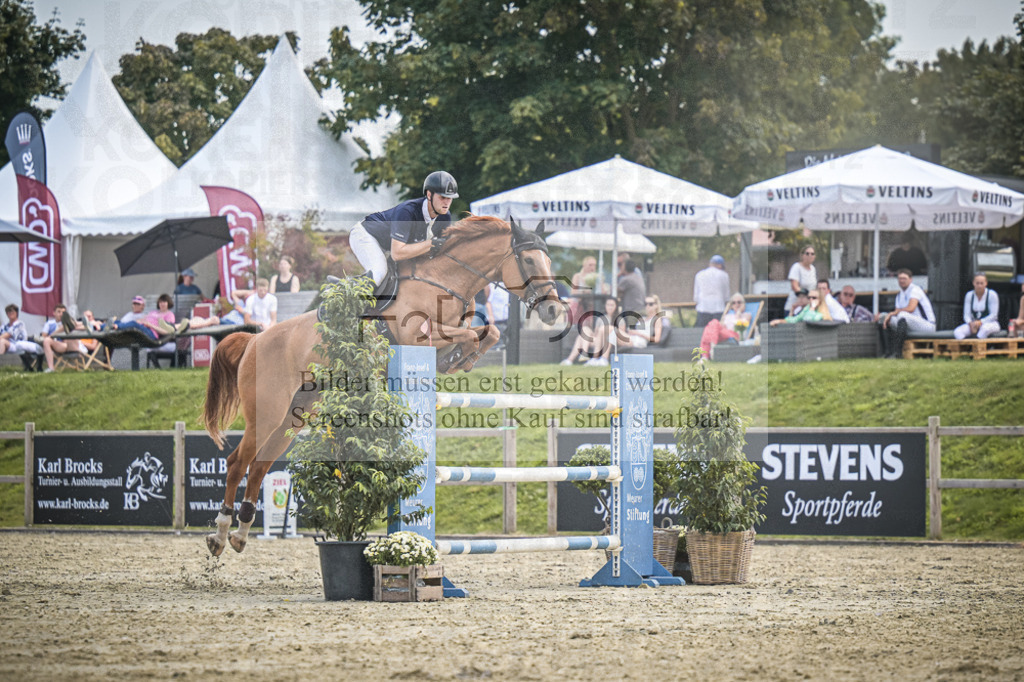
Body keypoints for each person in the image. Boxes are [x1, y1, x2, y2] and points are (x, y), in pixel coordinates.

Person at [348, 170, 458, 291]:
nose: (447, 202)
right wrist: (431, 244)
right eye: (443, 197)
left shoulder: (445, 217)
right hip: (365, 234)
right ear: (429, 195)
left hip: (389, 244)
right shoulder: (407, 212)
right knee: (379, 272)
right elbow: (397, 254)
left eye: (450, 198)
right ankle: (343, 296)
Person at [879, 269, 936, 358]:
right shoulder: (899, 295)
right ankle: (888, 352)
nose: (902, 281)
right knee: (883, 318)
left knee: (903, 315)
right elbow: (897, 313)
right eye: (900, 279)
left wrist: (891, 313)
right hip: (909, 324)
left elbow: (910, 308)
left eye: (904, 278)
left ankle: (898, 352)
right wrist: (887, 316)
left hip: (927, 325)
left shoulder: (915, 289)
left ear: (910, 279)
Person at [561, 296, 620, 366]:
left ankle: (576, 358)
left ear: (616, 306)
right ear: (605, 306)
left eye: (612, 305)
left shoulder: (619, 319)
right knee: (584, 331)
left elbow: (619, 334)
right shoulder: (601, 318)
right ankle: (571, 359)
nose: (610, 307)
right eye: (608, 305)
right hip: (598, 340)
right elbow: (596, 333)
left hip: (610, 341)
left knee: (603, 330)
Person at [699, 293, 752, 359]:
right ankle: (712, 348)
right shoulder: (728, 315)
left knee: (712, 325)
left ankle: (705, 355)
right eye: (734, 303)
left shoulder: (747, 315)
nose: (737, 304)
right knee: (709, 327)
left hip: (735, 334)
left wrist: (739, 312)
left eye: (739, 302)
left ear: (743, 304)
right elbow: (720, 327)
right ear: (731, 305)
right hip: (723, 334)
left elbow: (739, 327)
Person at [953, 273, 1000, 340]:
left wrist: (980, 322)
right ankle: (966, 347)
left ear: (986, 283)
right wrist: (970, 323)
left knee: (984, 329)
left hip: (990, 323)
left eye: (981, 283)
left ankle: (977, 347)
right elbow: (966, 315)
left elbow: (994, 315)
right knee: (957, 332)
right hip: (973, 324)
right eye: (977, 283)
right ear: (973, 283)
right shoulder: (969, 295)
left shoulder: (992, 295)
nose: (979, 286)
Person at [115, 293, 180, 340]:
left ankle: (116, 327)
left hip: (152, 333)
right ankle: (108, 326)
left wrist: (150, 325)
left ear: (168, 303)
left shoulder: (169, 315)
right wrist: (140, 321)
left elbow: (168, 330)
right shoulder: (153, 312)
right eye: (160, 302)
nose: (162, 304)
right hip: (143, 328)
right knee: (120, 321)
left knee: (133, 324)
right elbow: (143, 319)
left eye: (164, 302)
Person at [693, 255, 730, 328]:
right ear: (720, 265)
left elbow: (696, 295)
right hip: (718, 308)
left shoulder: (699, 274)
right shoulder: (724, 275)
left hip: (703, 308)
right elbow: (726, 295)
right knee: (717, 332)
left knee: (701, 332)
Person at [785, 245, 818, 314]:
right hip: (795, 308)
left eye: (812, 254)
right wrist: (807, 294)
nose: (810, 255)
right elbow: (794, 287)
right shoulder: (796, 267)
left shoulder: (813, 269)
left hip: (807, 307)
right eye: (807, 253)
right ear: (802, 255)